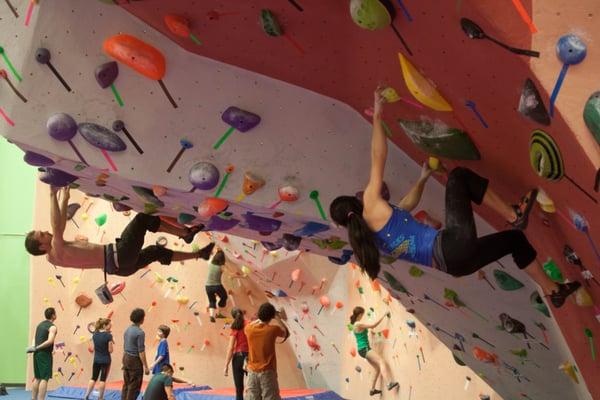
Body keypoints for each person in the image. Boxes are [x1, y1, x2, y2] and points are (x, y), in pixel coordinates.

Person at [329, 88, 581, 309]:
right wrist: (377, 114)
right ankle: (514, 215)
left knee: (515, 241)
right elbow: (377, 155)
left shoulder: (370, 239)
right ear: (355, 201)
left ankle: (553, 291)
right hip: (452, 246)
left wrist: (423, 178)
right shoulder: (370, 205)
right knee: (458, 177)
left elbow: (406, 206)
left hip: (455, 266)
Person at [24, 186, 215, 277]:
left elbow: (59, 228)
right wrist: (52, 194)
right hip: (119, 256)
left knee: (156, 252)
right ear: (42, 246)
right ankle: (184, 234)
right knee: (142, 218)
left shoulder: (56, 257)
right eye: (42, 235)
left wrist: (65, 199)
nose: (46, 232)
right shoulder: (55, 251)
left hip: (120, 268)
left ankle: (200, 254)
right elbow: (58, 227)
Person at [244, 303, 290, 400]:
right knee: (270, 397)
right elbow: (286, 333)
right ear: (271, 316)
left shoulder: (248, 329)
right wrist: (277, 317)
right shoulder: (272, 330)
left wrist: (260, 317)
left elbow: (253, 323)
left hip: (252, 371)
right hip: (267, 371)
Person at [350, 307, 398, 396]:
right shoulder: (358, 324)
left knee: (377, 369)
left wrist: (370, 332)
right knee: (381, 361)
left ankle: (372, 390)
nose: (362, 316)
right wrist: (384, 314)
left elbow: (363, 333)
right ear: (360, 314)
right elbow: (373, 325)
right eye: (362, 315)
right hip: (365, 349)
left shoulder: (355, 326)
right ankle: (389, 383)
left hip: (362, 350)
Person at [27, 308, 57, 400]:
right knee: (44, 378)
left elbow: (34, 339)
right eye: (55, 313)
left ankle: (33, 398)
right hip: (44, 354)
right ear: (53, 315)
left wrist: (33, 348)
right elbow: (50, 341)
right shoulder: (52, 327)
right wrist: (37, 347)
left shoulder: (39, 325)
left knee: (37, 378)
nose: (56, 315)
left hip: (37, 354)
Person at [121, 308, 149, 400]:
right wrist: (146, 366)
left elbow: (125, 346)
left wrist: (124, 361)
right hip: (134, 361)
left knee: (126, 384)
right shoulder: (140, 333)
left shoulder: (127, 330)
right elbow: (141, 351)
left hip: (126, 357)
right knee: (134, 385)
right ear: (141, 319)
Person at [83, 318, 114, 400]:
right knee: (102, 380)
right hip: (105, 360)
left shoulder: (95, 335)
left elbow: (93, 348)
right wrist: (111, 342)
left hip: (96, 360)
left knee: (93, 378)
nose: (111, 325)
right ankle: (100, 398)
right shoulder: (108, 336)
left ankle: (86, 395)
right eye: (109, 324)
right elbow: (110, 350)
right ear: (104, 325)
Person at [224, 308, 249, 400]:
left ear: (233, 317)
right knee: (253, 387)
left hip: (238, 358)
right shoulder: (249, 324)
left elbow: (230, 348)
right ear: (242, 314)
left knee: (239, 389)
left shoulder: (235, 326)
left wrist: (226, 365)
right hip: (250, 357)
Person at [205, 249, 229, 323]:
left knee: (212, 301)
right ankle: (218, 312)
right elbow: (231, 275)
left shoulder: (210, 263)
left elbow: (213, 255)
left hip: (208, 286)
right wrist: (242, 276)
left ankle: (212, 315)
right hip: (217, 286)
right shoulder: (222, 267)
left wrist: (217, 251)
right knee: (224, 297)